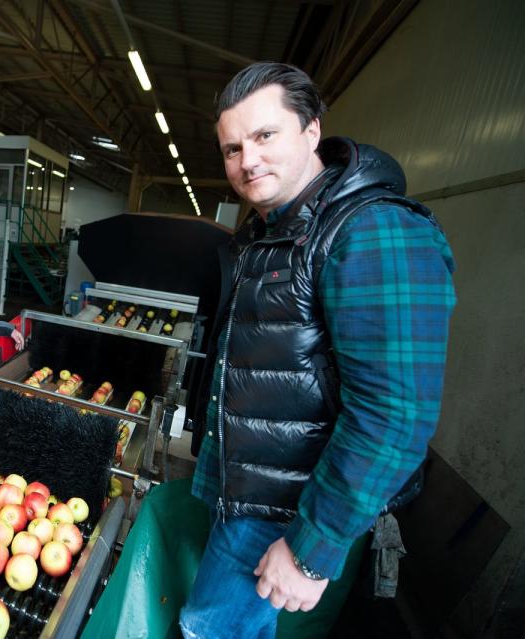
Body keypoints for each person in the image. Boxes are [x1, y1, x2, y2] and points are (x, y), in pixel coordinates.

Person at [180, 62, 456, 638]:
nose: (246, 160)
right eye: (232, 148)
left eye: (264, 136)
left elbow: (394, 416)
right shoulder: (269, 232)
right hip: (249, 494)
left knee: (208, 630)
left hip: (287, 512)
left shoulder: (373, 232)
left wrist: (311, 548)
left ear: (312, 131)